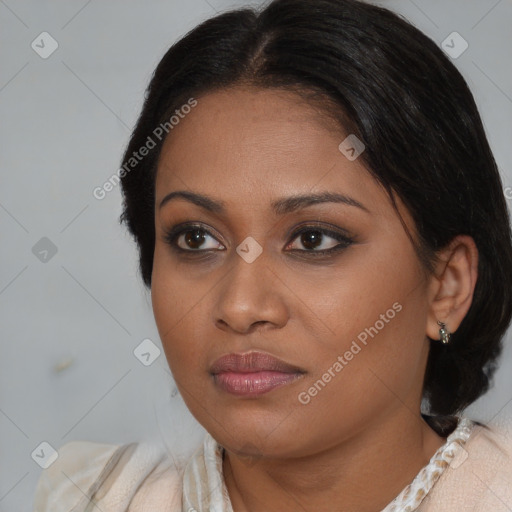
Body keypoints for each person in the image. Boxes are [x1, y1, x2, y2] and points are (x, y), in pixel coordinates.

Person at [33, 0, 512, 510]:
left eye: (314, 240)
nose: (240, 307)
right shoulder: (89, 496)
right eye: (196, 239)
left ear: (447, 285)